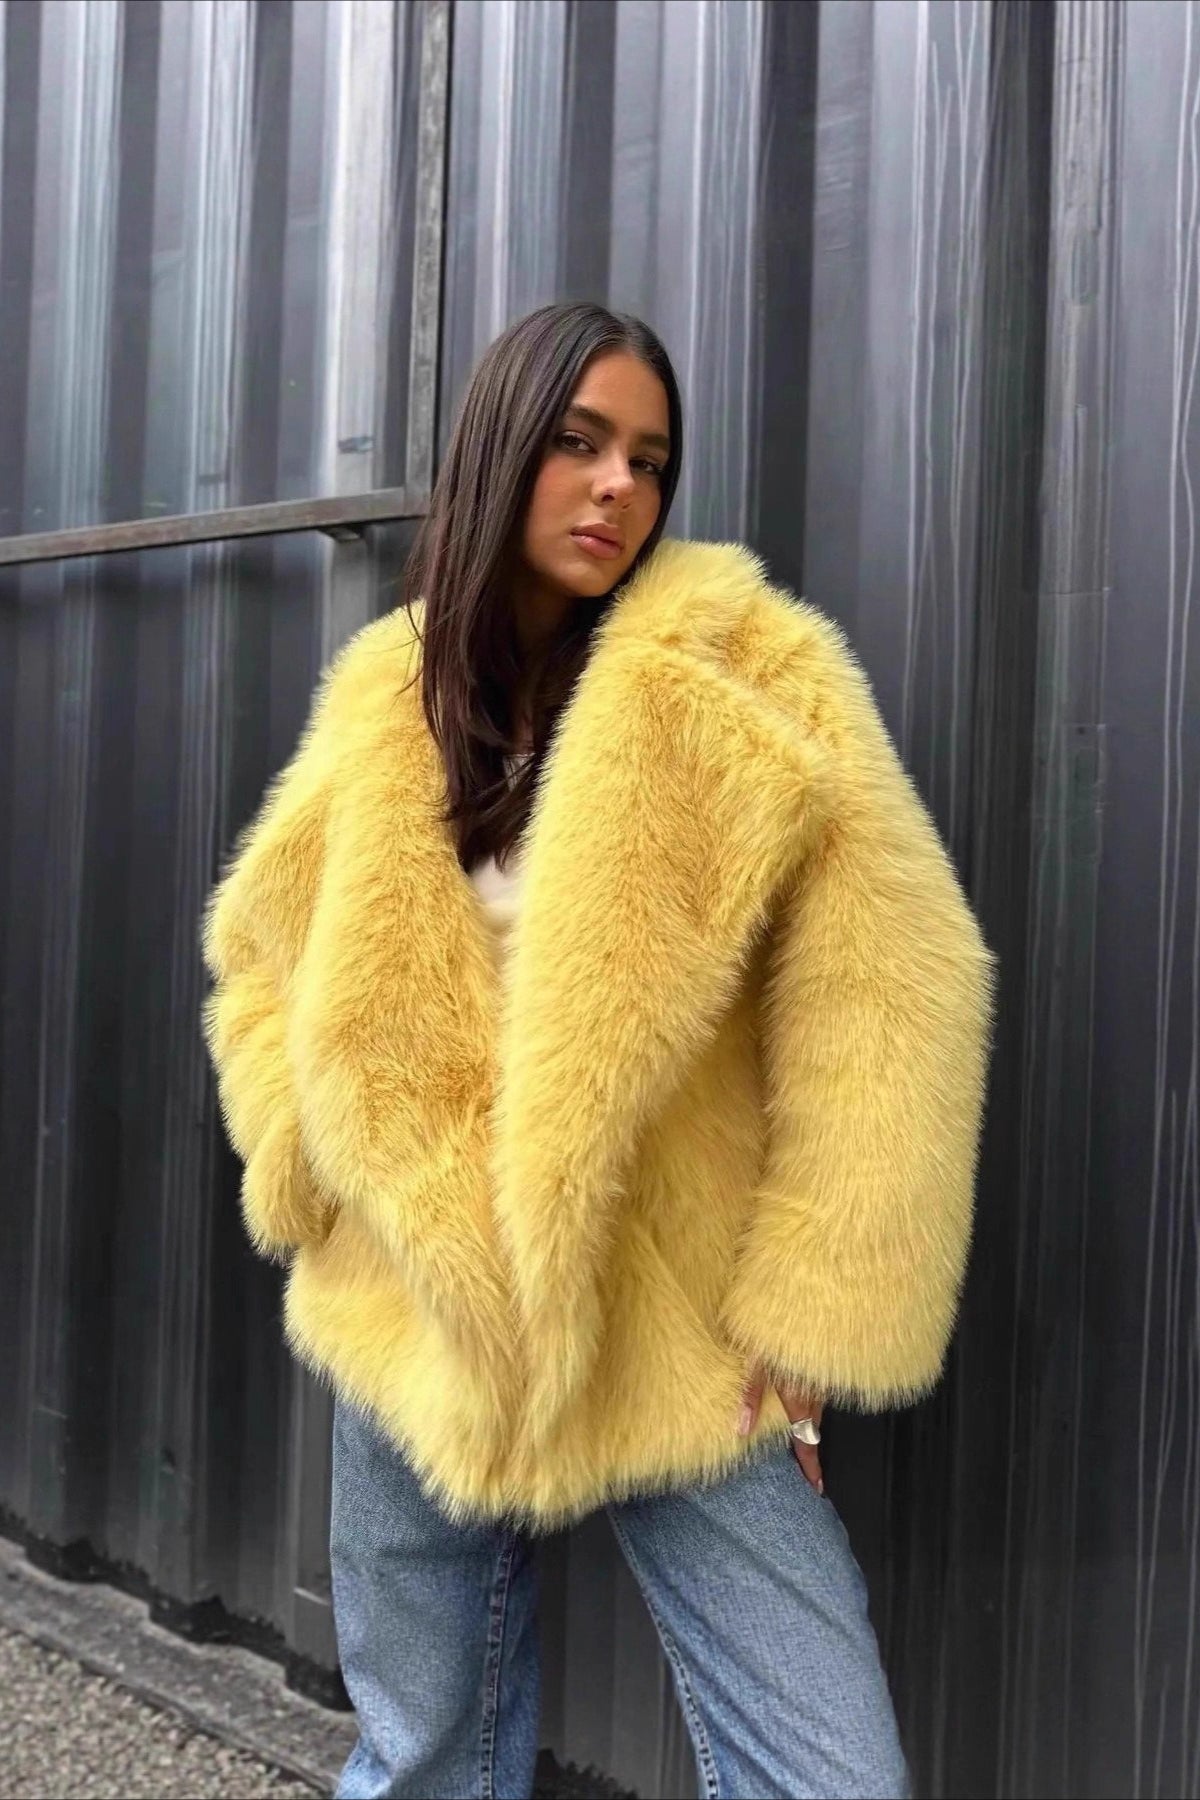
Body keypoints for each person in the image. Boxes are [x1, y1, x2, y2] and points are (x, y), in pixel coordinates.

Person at [201, 300, 995, 1800]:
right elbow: (261, 946)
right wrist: (305, 1165)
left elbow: (896, 980)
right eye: (579, 442)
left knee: (827, 1772)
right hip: (415, 1293)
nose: (618, 485)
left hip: (668, 1308)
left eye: (649, 458)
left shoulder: (751, 671)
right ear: (503, 450)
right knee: (423, 1756)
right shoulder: (395, 686)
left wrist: (814, 1303)